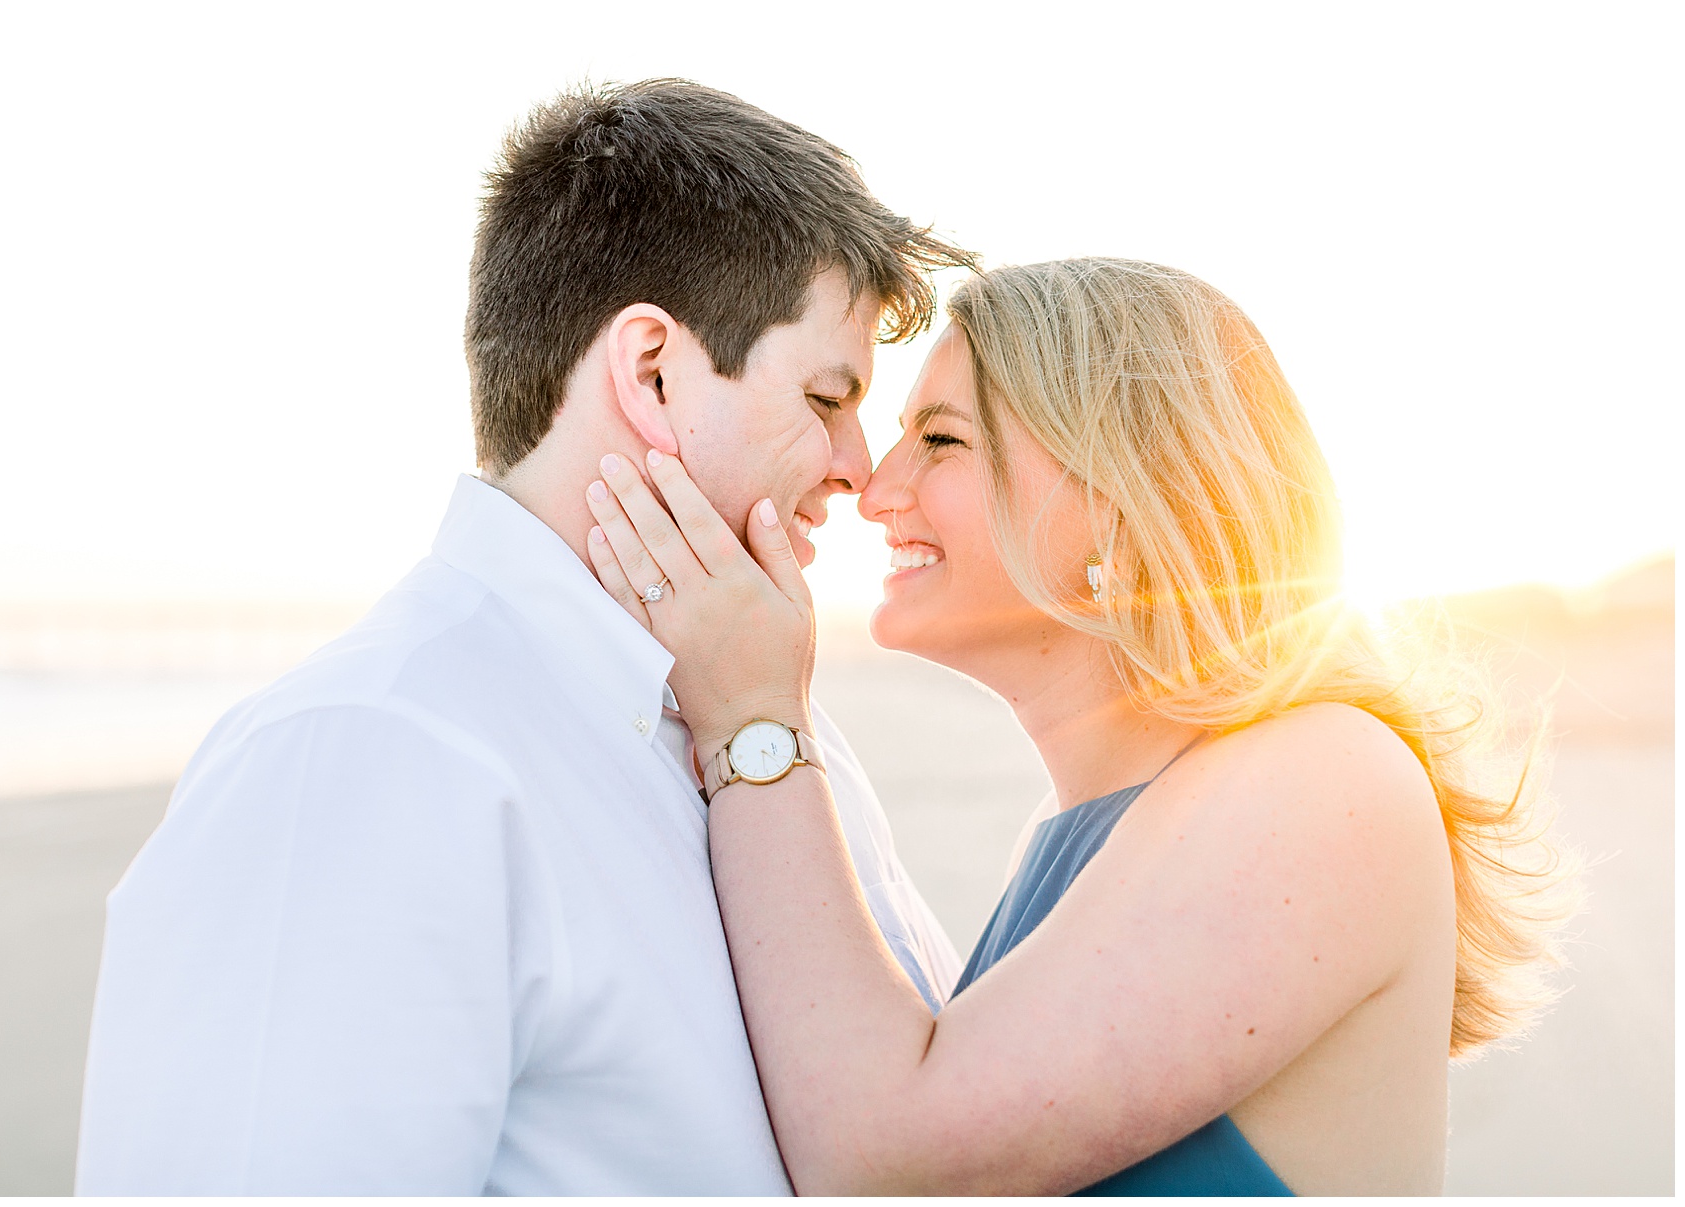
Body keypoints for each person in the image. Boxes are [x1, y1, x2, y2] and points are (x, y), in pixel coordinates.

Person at [74, 79, 974, 1195]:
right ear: (653, 370)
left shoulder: (776, 732)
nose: (857, 467)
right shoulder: (364, 760)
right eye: (828, 398)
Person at [581, 257, 1580, 1195]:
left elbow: (885, 1161)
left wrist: (754, 718)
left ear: (1125, 501)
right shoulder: (1086, 841)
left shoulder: (1329, 780)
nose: (877, 490)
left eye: (941, 440)